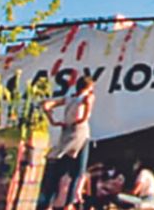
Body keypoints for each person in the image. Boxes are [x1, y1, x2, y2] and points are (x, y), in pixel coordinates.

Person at [40, 75, 95, 210]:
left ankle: (48, 202)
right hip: (81, 134)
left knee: (60, 170)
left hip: (67, 134)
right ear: (88, 87)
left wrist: (54, 121)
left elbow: (46, 104)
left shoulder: (70, 98)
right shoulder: (87, 97)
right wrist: (80, 120)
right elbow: (86, 115)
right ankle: (69, 204)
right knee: (78, 171)